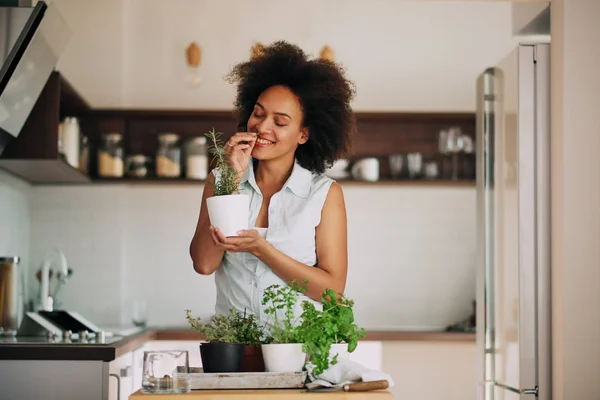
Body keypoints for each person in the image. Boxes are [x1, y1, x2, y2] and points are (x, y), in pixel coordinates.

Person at [189, 41, 356, 326]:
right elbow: (204, 264)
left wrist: (261, 249)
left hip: (295, 350)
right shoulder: (221, 179)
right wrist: (229, 180)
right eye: (258, 113)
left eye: (280, 122)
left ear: (303, 135)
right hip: (233, 348)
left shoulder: (324, 194)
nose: (262, 127)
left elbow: (332, 292)